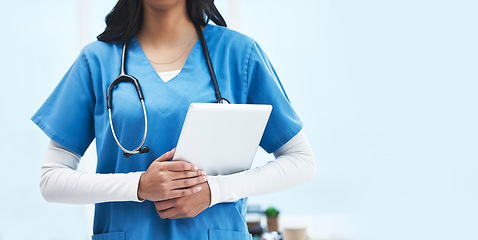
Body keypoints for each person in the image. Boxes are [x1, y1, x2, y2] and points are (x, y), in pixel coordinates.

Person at [32, 0, 316, 239]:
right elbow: (51, 179)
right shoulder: (97, 60)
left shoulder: (238, 54)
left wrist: (214, 191)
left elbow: (300, 160)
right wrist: (139, 185)